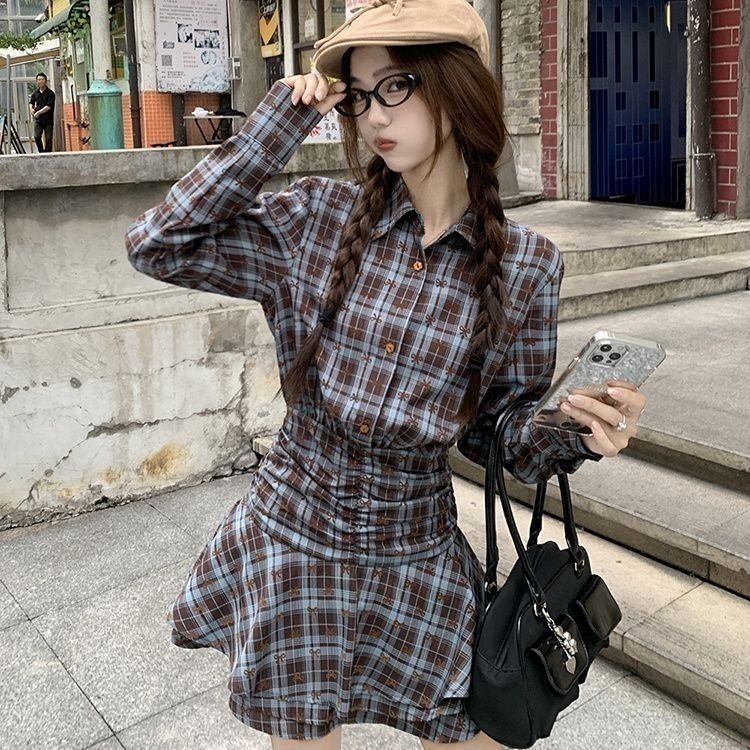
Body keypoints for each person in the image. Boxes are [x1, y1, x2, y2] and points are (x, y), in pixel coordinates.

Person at [125, 1, 647, 748]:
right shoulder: (316, 218)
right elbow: (157, 244)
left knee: (471, 733)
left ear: (456, 88)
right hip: (297, 538)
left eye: (395, 86)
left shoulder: (528, 265)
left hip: (417, 550)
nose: (373, 115)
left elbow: (498, 436)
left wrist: (574, 427)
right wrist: (278, 126)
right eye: (360, 96)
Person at [29, 72, 55, 153]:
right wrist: (31, 109)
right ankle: (41, 153)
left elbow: (48, 106)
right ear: (37, 81)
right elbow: (31, 102)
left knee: (48, 139)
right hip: (38, 120)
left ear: (45, 81)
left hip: (48, 120)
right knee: (36, 137)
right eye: (39, 80)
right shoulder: (35, 93)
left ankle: (48, 154)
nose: (40, 81)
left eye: (42, 79)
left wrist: (38, 112)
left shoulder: (50, 93)